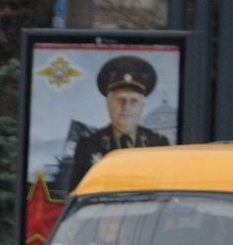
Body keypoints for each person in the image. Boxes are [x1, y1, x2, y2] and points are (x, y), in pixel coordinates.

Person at [66, 55, 171, 190]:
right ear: (108, 104)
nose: (126, 107)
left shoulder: (158, 144)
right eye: (120, 100)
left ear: (142, 106)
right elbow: (76, 194)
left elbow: (164, 193)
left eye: (133, 101)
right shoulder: (89, 144)